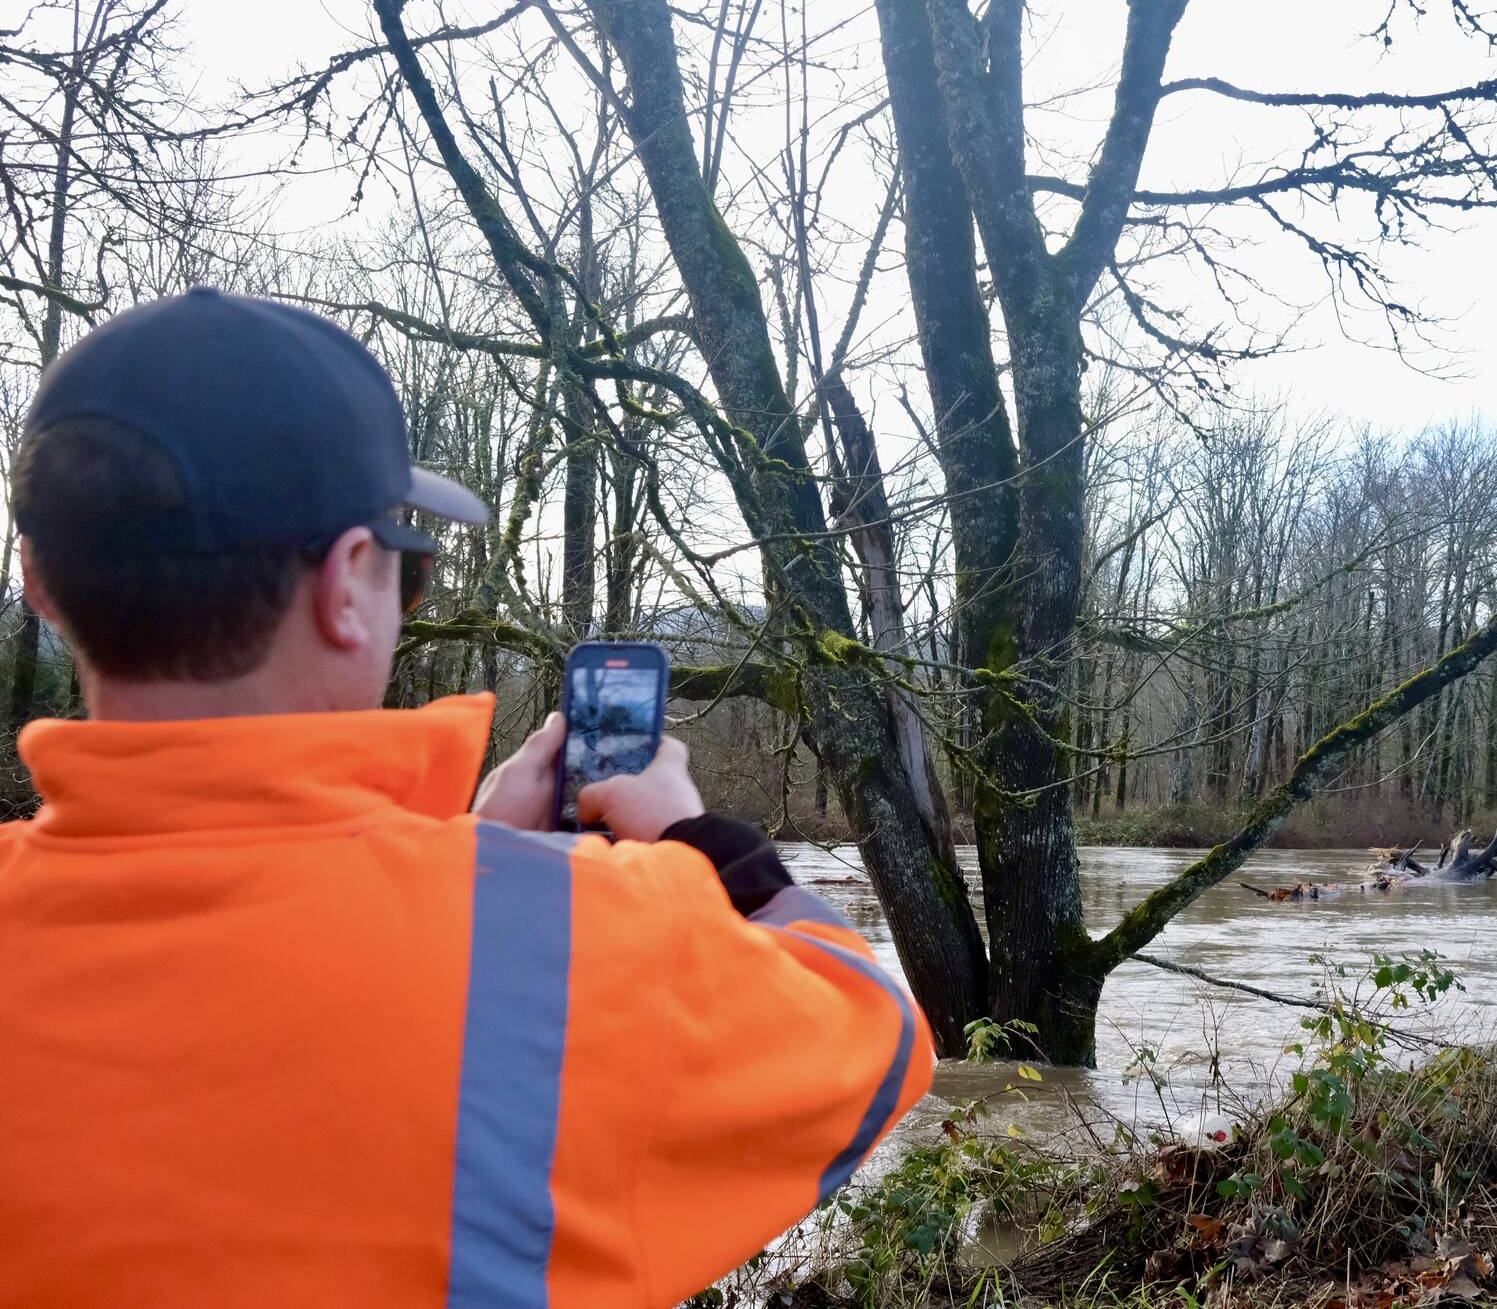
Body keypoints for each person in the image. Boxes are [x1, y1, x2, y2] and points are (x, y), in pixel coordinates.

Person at [0, 289, 932, 1307]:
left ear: (38, 580)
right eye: (407, 572)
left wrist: (463, 848)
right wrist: (694, 838)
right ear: (346, 585)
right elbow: (876, 1037)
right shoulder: (577, 941)